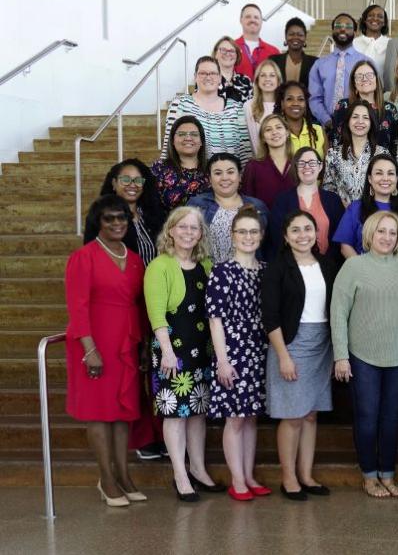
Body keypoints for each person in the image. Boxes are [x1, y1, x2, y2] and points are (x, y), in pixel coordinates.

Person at [331, 211, 398, 498]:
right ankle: (369, 476)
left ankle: (388, 475)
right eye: (381, 231)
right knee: (368, 417)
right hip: (362, 356)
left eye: (392, 233)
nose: (387, 237)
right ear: (370, 234)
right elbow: (338, 313)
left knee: (391, 418)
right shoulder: (354, 266)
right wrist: (341, 356)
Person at [66, 195, 149, 507]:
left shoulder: (135, 258)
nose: (117, 224)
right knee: (99, 413)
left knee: (121, 414)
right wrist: (89, 350)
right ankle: (107, 479)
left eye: (122, 218)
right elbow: (78, 307)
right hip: (94, 343)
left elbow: (140, 306)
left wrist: (140, 346)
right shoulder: (83, 257)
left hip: (125, 343)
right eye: (109, 219)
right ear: (97, 223)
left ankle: (124, 475)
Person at [262, 210, 339, 501]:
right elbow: (270, 317)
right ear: (285, 236)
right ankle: (289, 477)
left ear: (316, 233)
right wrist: (283, 355)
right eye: (295, 230)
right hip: (291, 344)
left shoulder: (327, 265)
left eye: (308, 229)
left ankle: (306, 475)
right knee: (292, 416)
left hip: (322, 345)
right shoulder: (277, 267)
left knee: (310, 414)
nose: (302, 235)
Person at [144, 206, 220, 501]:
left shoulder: (206, 265)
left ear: (201, 234)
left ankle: (198, 469)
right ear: (171, 231)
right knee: (175, 415)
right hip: (171, 351)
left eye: (195, 228)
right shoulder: (160, 266)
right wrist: (165, 351)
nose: (189, 232)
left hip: (201, 351)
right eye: (183, 227)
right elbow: (157, 315)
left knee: (198, 414)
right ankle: (180, 474)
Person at [206, 206, 271, 501]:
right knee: (235, 418)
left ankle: (248, 474)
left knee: (251, 416)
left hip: (260, 351)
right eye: (242, 231)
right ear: (232, 236)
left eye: (253, 232)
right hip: (233, 352)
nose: (248, 237)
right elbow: (215, 319)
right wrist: (222, 360)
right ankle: (237, 480)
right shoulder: (222, 271)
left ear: (261, 236)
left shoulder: (266, 270)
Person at [161, 57, 251, 166]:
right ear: (195, 77)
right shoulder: (180, 104)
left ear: (219, 78)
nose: (208, 77)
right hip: (190, 178)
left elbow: (246, 152)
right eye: (203, 73)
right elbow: (168, 146)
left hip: (227, 179)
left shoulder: (236, 108)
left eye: (213, 73)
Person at [334, 153, 398, 260]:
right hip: (363, 273)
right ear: (370, 178)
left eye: (391, 173)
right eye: (379, 173)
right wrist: (364, 271)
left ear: (397, 179)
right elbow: (345, 247)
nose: (385, 178)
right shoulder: (355, 208)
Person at [187, 153, 270, 264]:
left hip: (250, 276)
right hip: (206, 276)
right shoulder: (196, 205)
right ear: (209, 179)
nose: (225, 178)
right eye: (218, 173)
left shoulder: (258, 206)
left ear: (240, 176)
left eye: (230, 172)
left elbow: (268, 246)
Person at [268, 147, 346, 257]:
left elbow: (340, 239)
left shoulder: (333, 200)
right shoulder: (282, 201)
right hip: (293, 267)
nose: (307, 166)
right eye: (301, 163)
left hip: (329, 267)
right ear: (296, 167)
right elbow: (277, 239)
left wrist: (326, 265)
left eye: (312, 162)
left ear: (320, 166)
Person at [91, 159, 165, 267]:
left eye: (138, 180)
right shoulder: (103, 218)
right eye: (126, 179)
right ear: (114, 183)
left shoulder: (155, 216)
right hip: (120, 281)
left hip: (155, 282)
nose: (132, 185)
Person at [308, 13, 372, 127]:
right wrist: (327, 120)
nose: (343, 29)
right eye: (338, 26)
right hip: (327, 126)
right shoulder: (319, 64)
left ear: (355, 32)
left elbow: (373, 95)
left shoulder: (367, 63)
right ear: (332, 31)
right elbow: (314, 98)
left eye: (348, 26)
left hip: (359, 125)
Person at [324, 101, 391, 205]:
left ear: (371, 123)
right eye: (355, 117)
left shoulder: (382, 154)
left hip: (373, 215)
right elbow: (328, 191)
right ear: (348, 121)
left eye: (365, 117)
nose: (360, 121)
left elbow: (388, 188)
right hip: (342, 216)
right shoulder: (333, 155)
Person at [330, 60, 398, 151]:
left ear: (376, 79)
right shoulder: (343, 106)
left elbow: (395, 145)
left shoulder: (389, 110)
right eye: (359, 76)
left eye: (369, 75)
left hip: (382, 163)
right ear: (354, 82)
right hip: (348, 163)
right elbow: (336, 141)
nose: (364, 79)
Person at [153, 116, 211, 210]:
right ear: (172, 140)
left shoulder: (213, 168)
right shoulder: (159, 168)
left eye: (194, 134)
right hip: (168, 223)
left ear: (201, 142)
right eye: (181, 134)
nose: (188, 138)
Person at [241, 114, 296, 208]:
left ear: (287, 133)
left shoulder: (298, 163)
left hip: (296, 221)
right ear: (263, 138)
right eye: (268, 129)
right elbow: (247, 202)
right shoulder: (253, 166)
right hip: (264, 221)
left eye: (278, 127)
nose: (274, 132)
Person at [274, 81, 327, 156]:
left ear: (306, 103)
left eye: (300, 99)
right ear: (282, 104)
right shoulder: (276, 134)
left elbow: (329, 165)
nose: (295, 103)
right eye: (289, 99)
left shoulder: (319, 131)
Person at [234, 3, 278, 80]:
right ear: (241, 20)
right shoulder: (231, 48)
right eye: (248, 17)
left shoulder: (274, 52)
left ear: (261, 21)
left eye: (256, 17)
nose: (252, 20)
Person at [269, 17, 318, 86]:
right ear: (285, 37)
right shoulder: (273, 61)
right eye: (291, 34)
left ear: (305, 38)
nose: (295, 37)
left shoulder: (315, 63)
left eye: (300, 35)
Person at [245, 59, 282, 148]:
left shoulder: (284, 105)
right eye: (263, 75)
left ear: (278, 80)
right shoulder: (248, 106)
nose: (267, 79)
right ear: (257, 80)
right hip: (258, 159)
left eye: (272, 75)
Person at [353, 4, 391, 79]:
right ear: (364, 20)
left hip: (383, 89)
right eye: (371, 15)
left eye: (380, 16)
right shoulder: (354, 43)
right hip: (356, 88)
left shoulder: (390, 44)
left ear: (384, 22)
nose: (375, 18)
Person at [213, 36, 254, 103]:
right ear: (215, 54)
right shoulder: (207, 78)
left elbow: (252, 108)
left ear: (237, 55)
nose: (228, 54)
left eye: (232, 51)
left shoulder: (246, 80)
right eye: (223, 50)